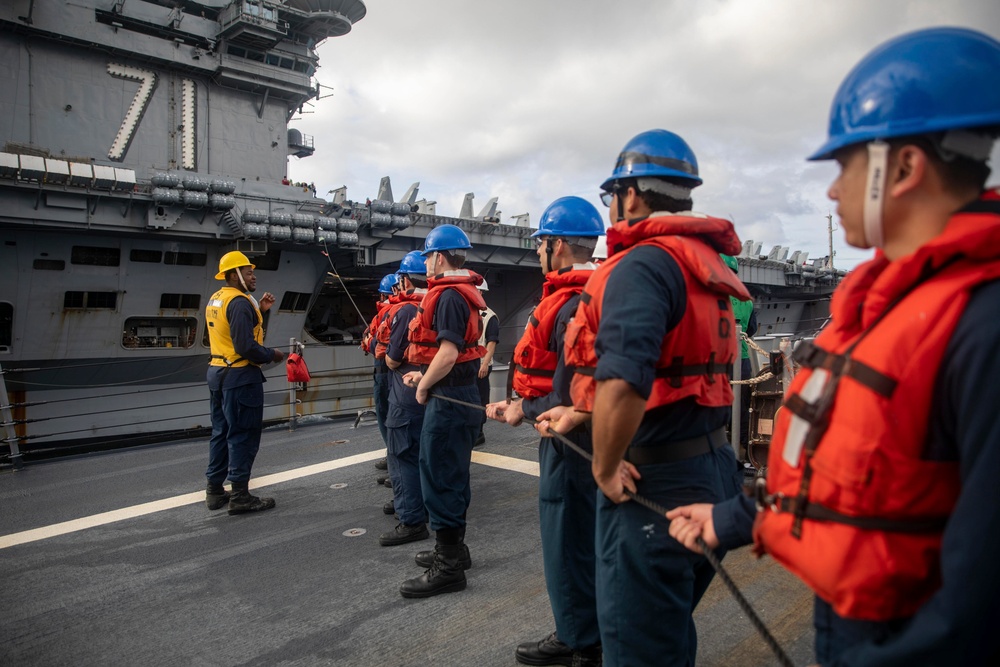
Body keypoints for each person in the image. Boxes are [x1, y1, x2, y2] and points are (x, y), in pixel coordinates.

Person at [667, 27, 1000, 667]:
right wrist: (727, 521)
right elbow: (842, 470)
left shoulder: (982, 325)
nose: (830, 190)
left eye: (845, 165)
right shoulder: (885, 305)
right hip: (854, 621)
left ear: (902, 167)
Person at [538, 129, 748, 666]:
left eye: (613, 195)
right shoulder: (702, 265)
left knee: (637, 648)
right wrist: (581, 408)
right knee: (667, 631)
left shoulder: (640, 265)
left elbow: (626, 382)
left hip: (655, 484)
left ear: (629, 194)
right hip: (715, 468)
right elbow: (671, 372)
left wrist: (606, 469)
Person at [486, 196, 604, 667]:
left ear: (556, 245)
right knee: (588, 535)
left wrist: (522, 407)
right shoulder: (597, 293)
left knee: (568, 538)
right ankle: (588, 631)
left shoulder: (569, 304)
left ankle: (582, 641)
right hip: (592, 435)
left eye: (540, 243)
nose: (537, 252)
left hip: (572, 441)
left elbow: (573, 392)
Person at [399, 224, 486, 598]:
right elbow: (452, 354)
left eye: (427, 257)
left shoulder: (448, 296)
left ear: (437, 256)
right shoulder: (459, 294)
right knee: (452, 474)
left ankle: (448, 566)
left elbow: (449, 353)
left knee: (439, 477)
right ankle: (454, 550)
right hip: (460, 392)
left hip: (449, 400)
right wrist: (426, 373)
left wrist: (423, 385)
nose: (426, 265)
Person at [204, 251, 285, 514]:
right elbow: (245, 346)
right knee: (243, 435)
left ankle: (215, 491)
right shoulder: (239, 303)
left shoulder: (217, 298)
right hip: (240, 376)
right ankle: (240, 496)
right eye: (248, 272)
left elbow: (231, 332)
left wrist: (260, 310)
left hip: (217, 372)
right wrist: (272, 355)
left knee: (221, 432)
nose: (254, 276)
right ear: (234, 275)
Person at [377, 251, 430, 546]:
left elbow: (392, 359)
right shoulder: (437, 303)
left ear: (405, 280)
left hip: (406, 393)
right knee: (424, 455)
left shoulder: (406, 310)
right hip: (433, 390)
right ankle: (414, 504)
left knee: (402, 455)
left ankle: (410, 517)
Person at [722, 253, 757, 458]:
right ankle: (744, 449)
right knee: (742, 406)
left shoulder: (711, 294)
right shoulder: (746, 298)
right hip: (742, 359)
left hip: (719, 359)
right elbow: (751, 330)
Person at [364, 274, 398, 476]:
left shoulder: (386, 313)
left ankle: (394, 459)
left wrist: (369, 341)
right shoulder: (405, 310)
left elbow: (381, 347)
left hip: (384, 373)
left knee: (386, 416)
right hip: (397, 374)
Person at [475, 279, 499, 447]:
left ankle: (479, 432)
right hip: (469, 363)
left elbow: (491, 343)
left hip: (481, 364)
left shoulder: (489, 316)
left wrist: (484, 364)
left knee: (480, 397)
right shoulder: (470, 312)